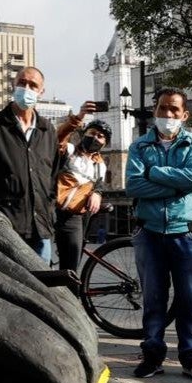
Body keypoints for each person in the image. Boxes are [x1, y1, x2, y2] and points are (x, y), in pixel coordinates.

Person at [127, 88, 192, 383]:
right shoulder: (140, 146)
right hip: (150, 232)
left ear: (184, 115)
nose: (168, 114)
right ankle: (152, 355)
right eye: (163, 108)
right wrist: (175, 184)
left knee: (190, 301)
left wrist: (153, 173)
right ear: (155, 111)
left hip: (187, 232)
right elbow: (133, 186)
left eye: (175, 109)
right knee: (153, 300)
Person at [0, 67, 59, 260]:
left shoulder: (47, 131)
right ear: (13, 85)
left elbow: (53, 178)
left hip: (40, 228)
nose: (26, 88)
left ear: (41, 92)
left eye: (33, 85)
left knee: (42, 286)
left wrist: (49, 213)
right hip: (4, 227)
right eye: (22, 83)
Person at [53, 114, 110, 273]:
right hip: (51, 209)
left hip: (74, 216)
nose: (95, 138)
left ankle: (70, 296)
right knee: (40, 256)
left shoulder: (100, 166)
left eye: (101, 137)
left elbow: (99, 185)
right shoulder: (70, 150)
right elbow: (59, 138)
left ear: (104, 144)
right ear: (83, 133)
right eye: (92, 133)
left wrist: (97, 193)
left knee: (70, 264)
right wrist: (75, 120)